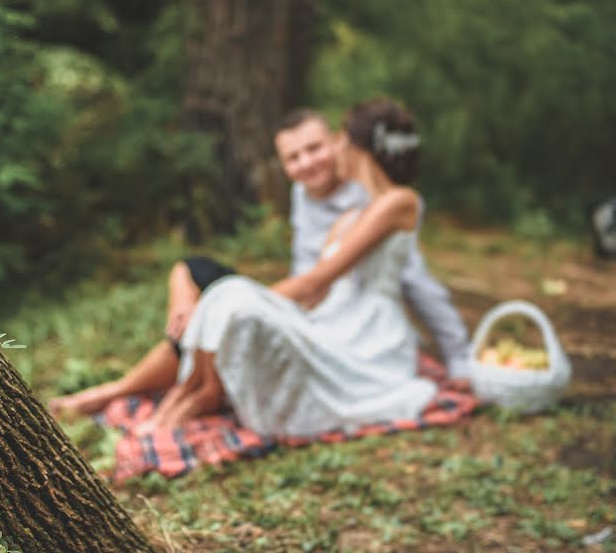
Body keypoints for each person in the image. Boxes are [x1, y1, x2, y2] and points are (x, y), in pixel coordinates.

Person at [49, 101, 470, 419]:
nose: (310, 162)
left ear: (349, 146)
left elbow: (395, 280)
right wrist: (228, 305)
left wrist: (456, 355)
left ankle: (167, 393)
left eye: (321, 145)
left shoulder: (387, 202)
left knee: (226, 305)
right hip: (320, 308)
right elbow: (309, 278)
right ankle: (143, 389)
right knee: (198, 277)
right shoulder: (324, 203)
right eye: (294, 157)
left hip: (356, 324)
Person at [138, 98, 441, 435]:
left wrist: (247, 301)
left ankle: (200, 396)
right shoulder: (348, 219)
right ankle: (188, 394)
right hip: (332, 315)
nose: (336, 147)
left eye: (341, 138)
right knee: (227, 297)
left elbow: (318, 279)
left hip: (369, 333)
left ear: (360, 148)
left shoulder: (399, 202)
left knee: (230, 295)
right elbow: (317, 292)